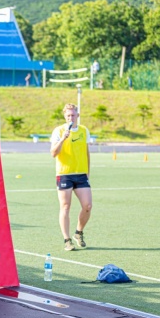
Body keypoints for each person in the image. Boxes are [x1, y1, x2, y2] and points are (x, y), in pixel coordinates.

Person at [50, 103, 92, 251]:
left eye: (73, 115)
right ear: (64, 116)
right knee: (65, 206)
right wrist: (62, 139)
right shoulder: (58, 131)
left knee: (87, 206)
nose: (70, 118)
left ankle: (78, 233)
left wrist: (88, 171)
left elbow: (86, 152)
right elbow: (53, 153)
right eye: (68, 115)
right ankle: (67, 240)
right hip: (64, 174)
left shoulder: (84, 130)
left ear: (77, 116)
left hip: (81, 174)